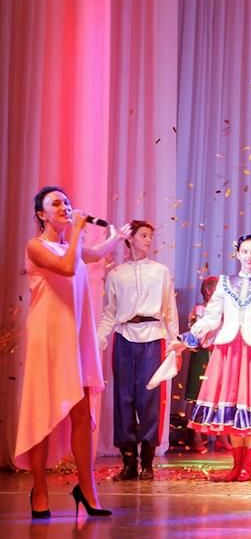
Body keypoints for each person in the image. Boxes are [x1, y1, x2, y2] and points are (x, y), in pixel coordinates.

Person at [17, 186, 130, 518]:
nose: (65, 207)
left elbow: (92, 254)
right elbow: (67, 268)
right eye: (56, 203)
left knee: (81, 412)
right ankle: (39, 489)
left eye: (66, 201)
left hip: (74, 336)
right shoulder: (36, 246)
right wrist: (78, 230)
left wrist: (116, 237)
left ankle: (87, 488)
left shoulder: (73, 246)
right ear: (42, 214)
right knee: (41, 413)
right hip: (48, 337)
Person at [183, 234, 251, 482]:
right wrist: (195, 332)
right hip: (228, 349)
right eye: (245, 251)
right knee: (231, 407)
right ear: (238, 254)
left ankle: (247, 467)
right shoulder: (225, 282)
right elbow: (212, 316)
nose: (249, 256)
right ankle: (236, 466)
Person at [97, 220, 179, 481]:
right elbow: (109, 313)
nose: (148, 240)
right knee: (123, 400)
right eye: (143, 235)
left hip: (153, 337)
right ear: (130, 238)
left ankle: (148, 461)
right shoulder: (116, 274)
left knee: (150, 399)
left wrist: (175, 342)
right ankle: (129, 462)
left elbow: (169, 309)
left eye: (150, 236)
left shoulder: (160, 271)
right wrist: (99, 339)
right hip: (124, 338)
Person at [185, 276, 221, 453]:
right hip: (202, 354)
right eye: (216, 288)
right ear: (208, 291)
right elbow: (197, 333)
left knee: (220, 395)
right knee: (197, 394)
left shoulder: (221, 310)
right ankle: (196, 436)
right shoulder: (200, 309)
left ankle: (222, 436)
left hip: (218, 353)